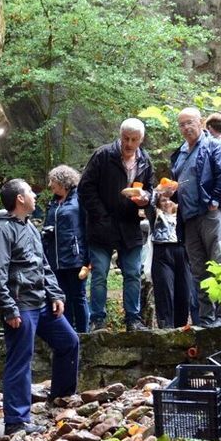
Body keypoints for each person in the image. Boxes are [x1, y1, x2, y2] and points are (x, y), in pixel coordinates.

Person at [0, 179, 80, 435]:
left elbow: (43, 265)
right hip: (21, 306)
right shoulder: (1, 231)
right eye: (30, 192)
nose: (36, 196)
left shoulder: (31, 228)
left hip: (42, 302)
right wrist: (8, 308)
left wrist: (56, 294)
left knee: (69, 341)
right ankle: (16, 421)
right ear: (19, 199)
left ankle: (60, 397)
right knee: (20, 360)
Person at [159, 107, 221, 327]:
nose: (186, 128)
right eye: (181, 124)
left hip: (210, 215)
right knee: (198, 268)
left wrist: (215, 201)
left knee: (220, 262)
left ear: (200, 122)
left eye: (189, 123)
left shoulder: (214, 145)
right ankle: (206, 317)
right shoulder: (180, 152)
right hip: (189, 217)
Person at [77, 118, 154, 331]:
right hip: (101, 225)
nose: (129, 144)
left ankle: (133, 319)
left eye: (134, 140)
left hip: (130, 225)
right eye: (125, 138)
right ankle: (97, 320)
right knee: (100, 273)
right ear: (120, 136)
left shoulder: (145, 160)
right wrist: (101, 215)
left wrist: (146, 198)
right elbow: (85, 188)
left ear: (141, 139)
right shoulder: (103, 155)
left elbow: (150, 189)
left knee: (132, 273)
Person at [42, 165, 89, 333]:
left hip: (75, 257)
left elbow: (86, 227)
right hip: (55, 258)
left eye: (53, 181)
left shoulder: (79, 200)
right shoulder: (52, 203)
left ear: (63, 182)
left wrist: (88, 258)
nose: (50, 185)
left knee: (78, 297)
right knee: (63, 298)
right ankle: (69, 334)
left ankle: (84, 333)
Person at [146, 174, 192, 328]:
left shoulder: (182, 213)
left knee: (184, 292)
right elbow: (149, 203)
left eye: (169, 200)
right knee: (165, 292)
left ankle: (181, 326)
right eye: (163, 200)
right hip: (162, 251)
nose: (167, 203)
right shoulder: (155, 215)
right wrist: (158, 191)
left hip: (181, 250)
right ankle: (166, 327)